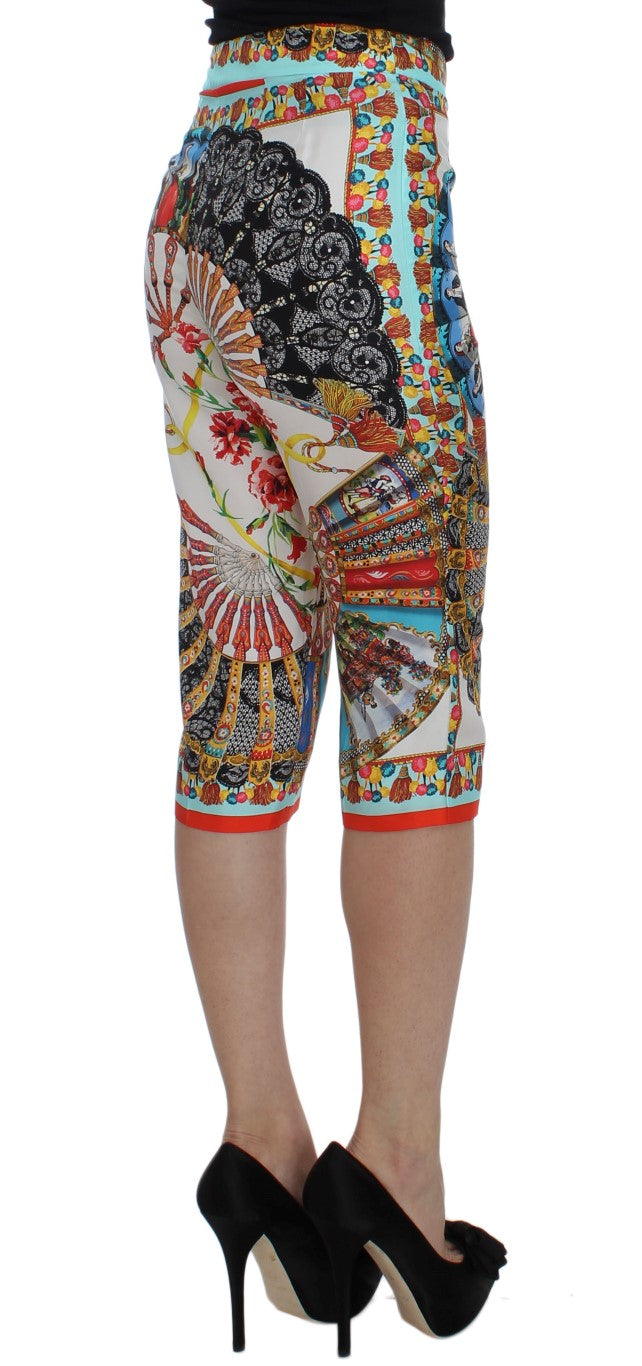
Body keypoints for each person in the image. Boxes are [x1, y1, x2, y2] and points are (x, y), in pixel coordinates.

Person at [143, 2, 506, 1354]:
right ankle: (397, 1159)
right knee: (417, 691)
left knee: (236, 691)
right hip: (356, 176)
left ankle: (261, 1142)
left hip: (207, 174)